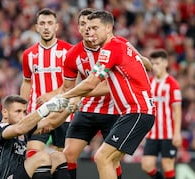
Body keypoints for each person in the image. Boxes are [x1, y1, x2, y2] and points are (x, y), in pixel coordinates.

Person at [53, 10, 156, 179]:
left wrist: (64, 97)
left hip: (137, 111)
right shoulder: (121, 44)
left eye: (95, 28)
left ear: (108, 28)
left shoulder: (110, 49)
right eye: (88, 27)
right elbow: (146, 65)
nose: (90, 32)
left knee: (102, 157)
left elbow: (91, 82)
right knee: (108, 159)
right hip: (136, 112)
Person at [61, 8, 122, 179]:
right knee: (69, 153)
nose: (87, 28)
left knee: (112, 160)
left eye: (91, 25)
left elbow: (110, 85)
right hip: (87, 111)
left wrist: (79, 95)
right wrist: (70, 99)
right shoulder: (72, 55)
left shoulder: (112, 48)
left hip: (113, 110)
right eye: (83, 24)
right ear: (78, 28)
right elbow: (68, 88)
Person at [20, 8, 73, 156]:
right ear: (37, 27)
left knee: (62, 158)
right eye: (42, 23)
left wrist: (53, 95)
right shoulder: (28, 54)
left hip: (63, 114)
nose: (46, 27)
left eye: (50, 23)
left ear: (56, 26)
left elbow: (75, 82)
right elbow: (26, 82)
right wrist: (22, 109)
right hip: (36, 113)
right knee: (32, 154)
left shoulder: (69, 51)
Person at [0, 94, 70, 179]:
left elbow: (50, 122)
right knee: (41, 158)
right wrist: (45, 108)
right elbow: (19, 129)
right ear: (5, 112)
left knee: (58, 157)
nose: (22, 115)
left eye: (24, 112)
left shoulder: (24, 130)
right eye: (18, 111)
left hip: (18, 175)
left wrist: (69, 109)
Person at [141, 49, 182, 179]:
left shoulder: (173, 84)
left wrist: (176, 133)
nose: (154, 67)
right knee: (146, 165)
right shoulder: (149, 83)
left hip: (168, 134)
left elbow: (177, 111)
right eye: (152, 63)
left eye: (158, 63)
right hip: (152, 134)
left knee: (167, 166)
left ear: (165, 63)